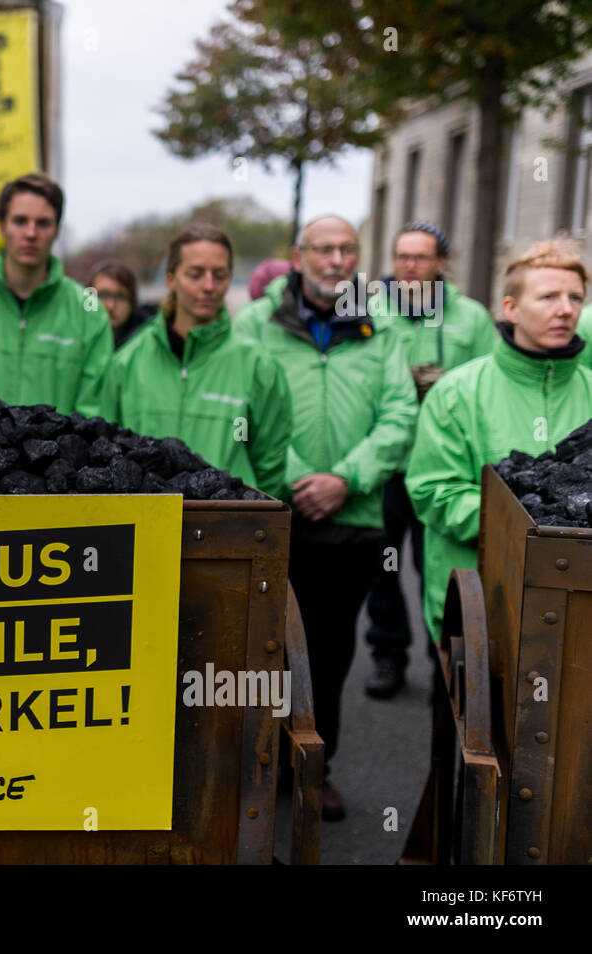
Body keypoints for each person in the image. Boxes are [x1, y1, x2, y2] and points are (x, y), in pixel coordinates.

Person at [234, 215, 417, 822]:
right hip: (272, 511)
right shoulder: (256, 324)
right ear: (297, 255)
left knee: (330, 650)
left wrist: (346, 479)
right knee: (259, 648)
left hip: (352, 518)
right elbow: (244, 407)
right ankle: (256, 765)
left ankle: (315, 768)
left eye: (348, 249)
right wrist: (293, 478)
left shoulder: (382, 326)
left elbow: (399, 414)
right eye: (324, 248)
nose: (337, 259)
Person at [407, 239, 592, 647]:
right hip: (483, 610)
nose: (566, 309)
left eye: (575, 297)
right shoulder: (457, 393)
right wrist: (529, 520)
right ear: (510, 308)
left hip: (579, 613)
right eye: (548, 296)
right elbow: (433, 492)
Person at [361, 222, 497, 699]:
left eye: (421, 257)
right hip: (389, 465)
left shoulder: (472, 318)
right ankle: (387, 654)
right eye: (402, 257)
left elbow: (490, 384)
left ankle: (443, 655)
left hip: (443, 466)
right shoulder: (369, 311)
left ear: (442, 263)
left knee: (436, 564)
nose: (410, 266)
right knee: (386, 564)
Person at [102, 225, 292, 499]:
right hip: (146, 530)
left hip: (227, 531)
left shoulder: (258, 365)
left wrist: (248, 517)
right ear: (170, 279)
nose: (208, 286)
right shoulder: (126, 364)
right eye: (195, 274)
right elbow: (109, 452)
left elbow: (270, 461)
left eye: (220, 275)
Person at [0, 173, 113, 416]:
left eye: (43, 223)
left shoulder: (89, 313)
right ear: (2, 227)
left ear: (57, 230)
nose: (31, 233)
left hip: (60, 455)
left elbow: (94, 414)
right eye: (20, 221)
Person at [87, 260, 158, 349]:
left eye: (120, 297)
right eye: (103, 295)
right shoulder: (75, 337)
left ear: (132, 302)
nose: (111, 305)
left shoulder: (149, 342)